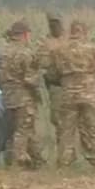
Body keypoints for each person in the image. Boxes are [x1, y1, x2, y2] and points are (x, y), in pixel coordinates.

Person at [51, 19, 95, 169]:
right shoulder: (93, 48)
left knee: (67, 131)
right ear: (84, 31)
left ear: (71, 31)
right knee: (93, 129)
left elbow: (54, 74)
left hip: (69, 95)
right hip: (89, 94)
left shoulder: (59, 50)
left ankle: (64, 163)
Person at [0, 19, 44, 169]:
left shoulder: (2, 52)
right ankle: (19, 162)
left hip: (7, 96)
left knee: (11, 131)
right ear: (24, 35)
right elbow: (29, 79)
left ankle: (13, 161)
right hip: (23, 96)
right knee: (23, 130)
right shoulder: (25, 52)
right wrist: (39, 81)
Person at [36, 11, 75, 163]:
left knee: (72, 120)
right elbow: (40, 61)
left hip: (72, 85)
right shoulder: (44, 42)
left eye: (57, 22)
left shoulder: (70, 40)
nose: (55, 26)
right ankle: (64, 155)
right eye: (52, 23)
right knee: (58, 120)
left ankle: (70, 154)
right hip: (56, 86)